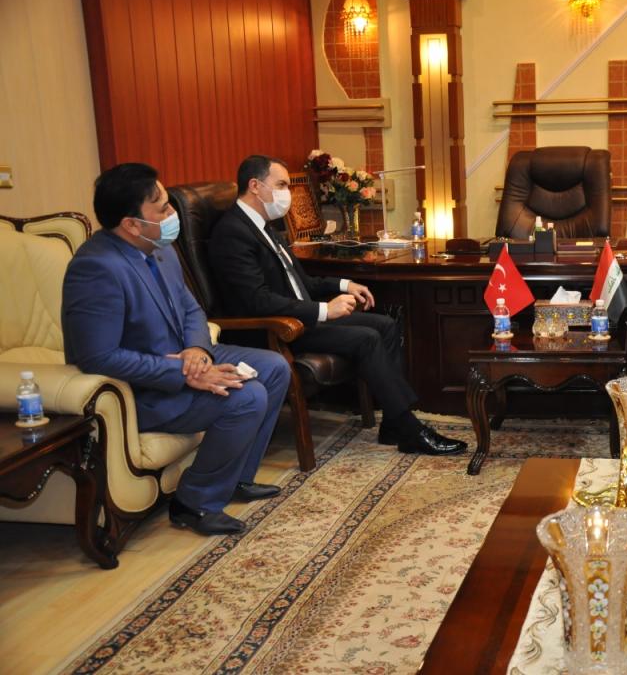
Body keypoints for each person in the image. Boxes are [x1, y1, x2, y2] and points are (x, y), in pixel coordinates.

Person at [62, 163, 291, 536]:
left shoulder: (159, 247)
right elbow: (97, 357)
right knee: (247, 397)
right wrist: (182, 372)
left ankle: (237, 478)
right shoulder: (96, 268)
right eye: (163, 208)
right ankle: (194, 503)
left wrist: (197, 352)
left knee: (274, 367)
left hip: (185, 358)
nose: (172, 214)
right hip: (143, 389)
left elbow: (191, 309)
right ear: (131, 224)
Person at [207, 155, 467, 456]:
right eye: (281, 185)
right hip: (274, 329)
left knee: (385, 324)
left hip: (299, 316)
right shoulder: (232, 233)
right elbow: (256, 301)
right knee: (366, 338)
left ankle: (393, 423)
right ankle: (409, 430)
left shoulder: (265, 226)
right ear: (255, 186)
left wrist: (345, 284)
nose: (287, 193)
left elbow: (302, 282)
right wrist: (324, 310)